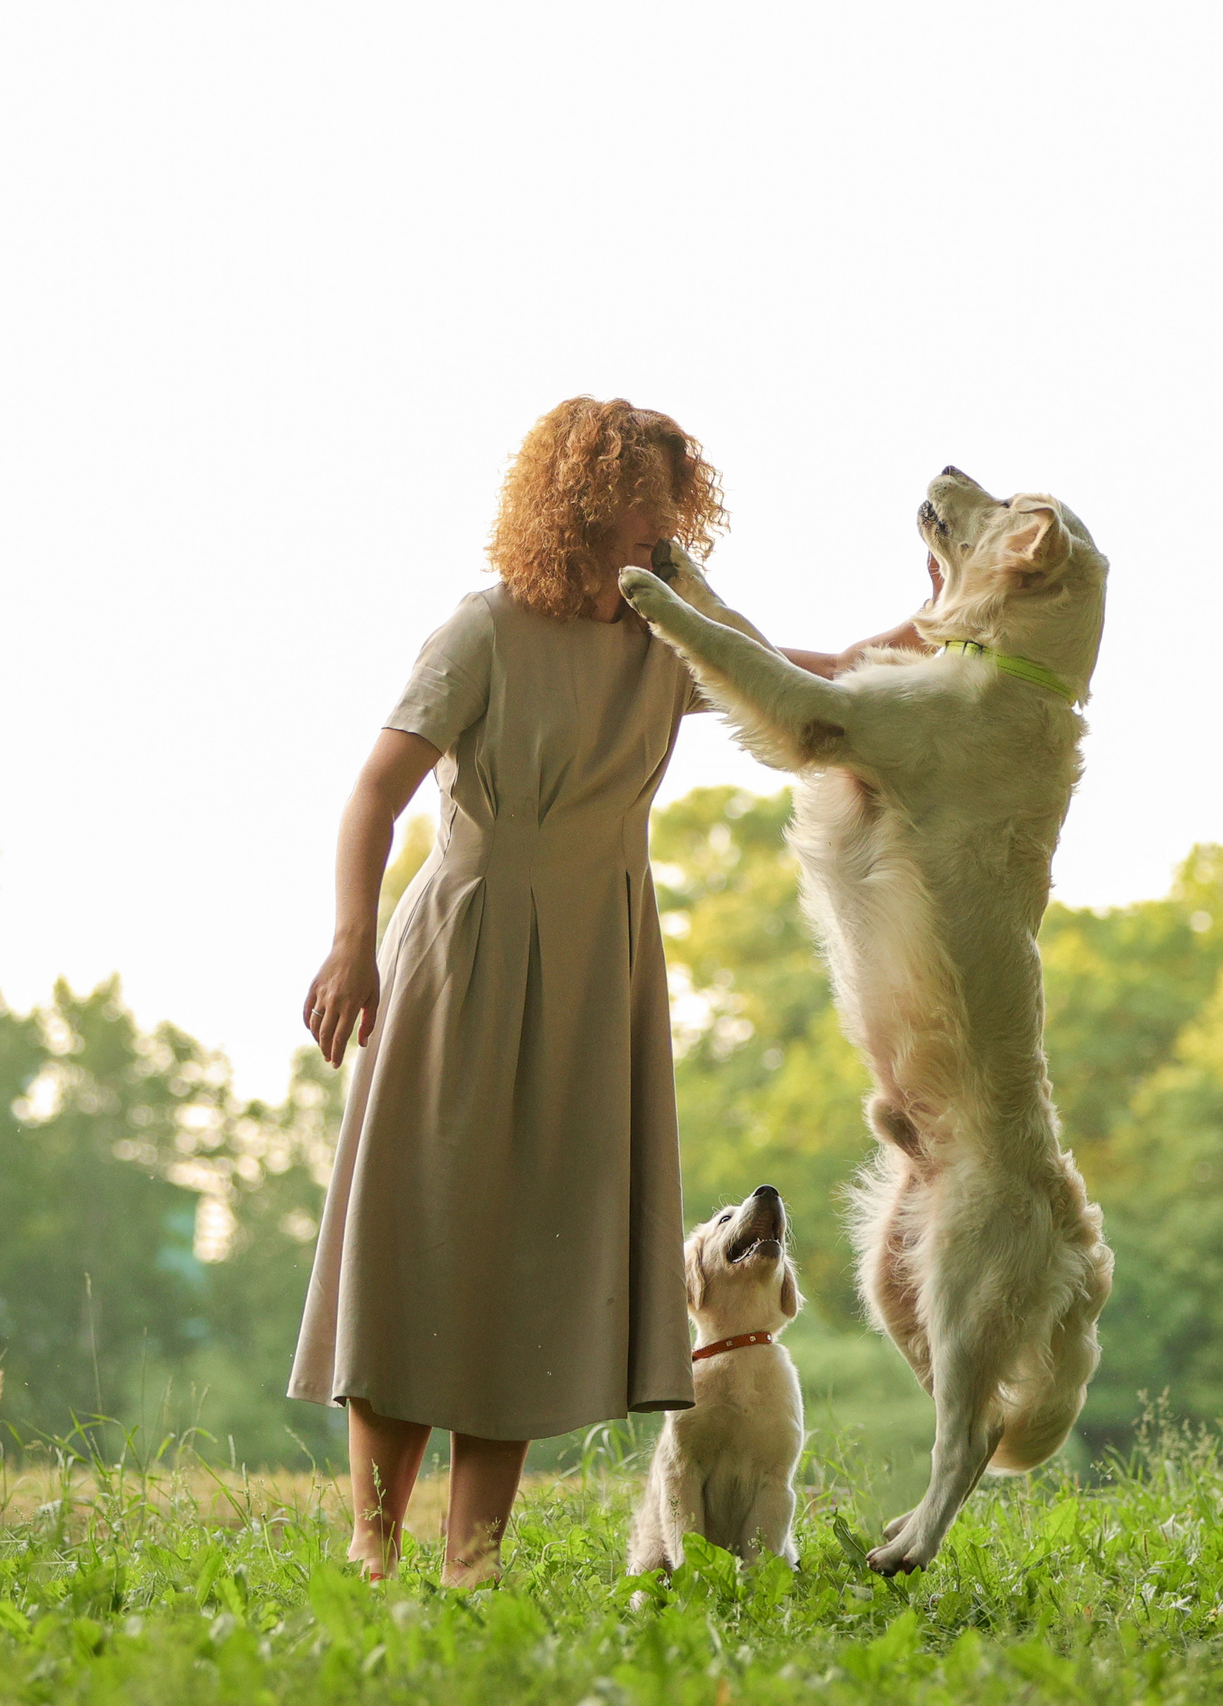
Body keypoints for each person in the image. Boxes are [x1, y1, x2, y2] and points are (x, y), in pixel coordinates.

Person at [290, 396, 921, 1585]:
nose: (661, 535)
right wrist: (349, 941)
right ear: (575, 509)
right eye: (641, 512)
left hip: (597, 967)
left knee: (533, 1254)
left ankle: (471, 1557)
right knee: (424, 1238)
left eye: (671, 515)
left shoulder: (663, 637)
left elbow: (804, 674)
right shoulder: (479, 630)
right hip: (461, 952)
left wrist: (931, 630)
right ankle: (375, 1542)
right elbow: (374, 789)